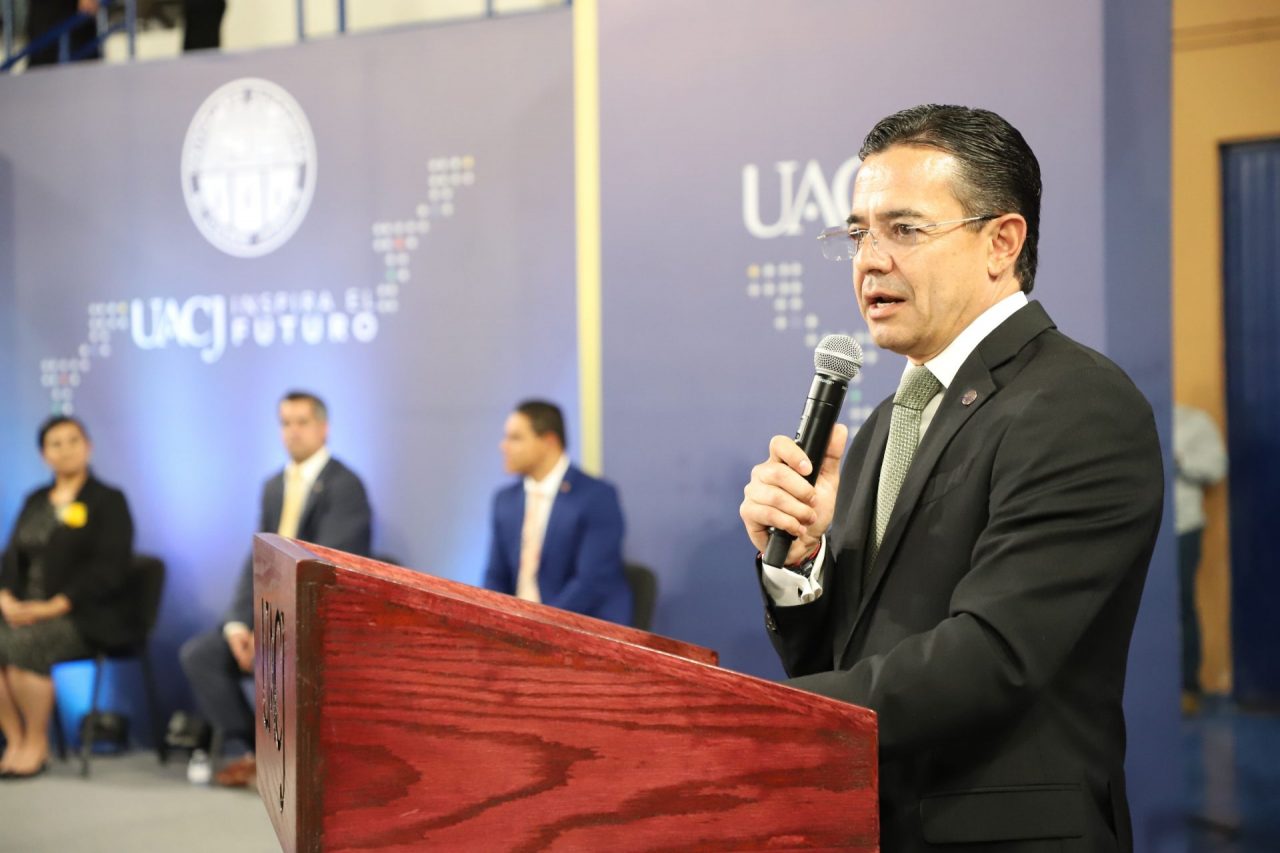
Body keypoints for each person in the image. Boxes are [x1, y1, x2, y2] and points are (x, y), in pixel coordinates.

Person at [739, 105, 1163, 851]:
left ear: (1002, 242)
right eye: (859, 234)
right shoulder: (887, 422)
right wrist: (802, 565)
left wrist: (756, 719)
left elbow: (994, 657)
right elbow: (846, 659)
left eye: (904, 230)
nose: (870, 261)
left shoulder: (1077, 402)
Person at [179, 391, 371, 787]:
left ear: (323, 427)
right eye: (285, 423)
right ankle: (262, 752)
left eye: (302, 422)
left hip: (316, 625)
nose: (293, 431)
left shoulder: (346, 485)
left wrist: (273, 628)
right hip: (271, 620)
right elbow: (259, 559)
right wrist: (238, 624)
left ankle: (295, 761)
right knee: (201, 656)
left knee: (288, 660)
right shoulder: (273, 486)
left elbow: (326, 569)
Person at [0, 416, 134, 779]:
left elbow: (109, 570)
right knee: (7, 636)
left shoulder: (107, 501)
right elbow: (10, 558)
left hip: (80, 615)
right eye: (55, 444)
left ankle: (36, 742)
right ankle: (15, 740)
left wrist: (54, 606)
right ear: (44, 454)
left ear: (88, 446)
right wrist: (5, 597)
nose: (65, 450)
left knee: (22, 644)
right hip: (24, 610)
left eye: (73, 441)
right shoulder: (34, 500)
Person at [483, 400, 632, 625]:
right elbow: (495, 576)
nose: (503, 446)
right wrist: (496, 620)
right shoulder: (505, 500)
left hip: (581, 628)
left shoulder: (596, 497)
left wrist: (536, 626)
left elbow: (590, 583)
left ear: (548, 442)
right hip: (518, 628)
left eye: (515, 438)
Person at [1173, 402, 1227, 712]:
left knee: (1181, 604)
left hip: (1183, 527)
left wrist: (1181, 461)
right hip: (1142, 525)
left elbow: (1217, 467)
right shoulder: (1131, 415)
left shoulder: (1195, 422)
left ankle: (1188, 686)